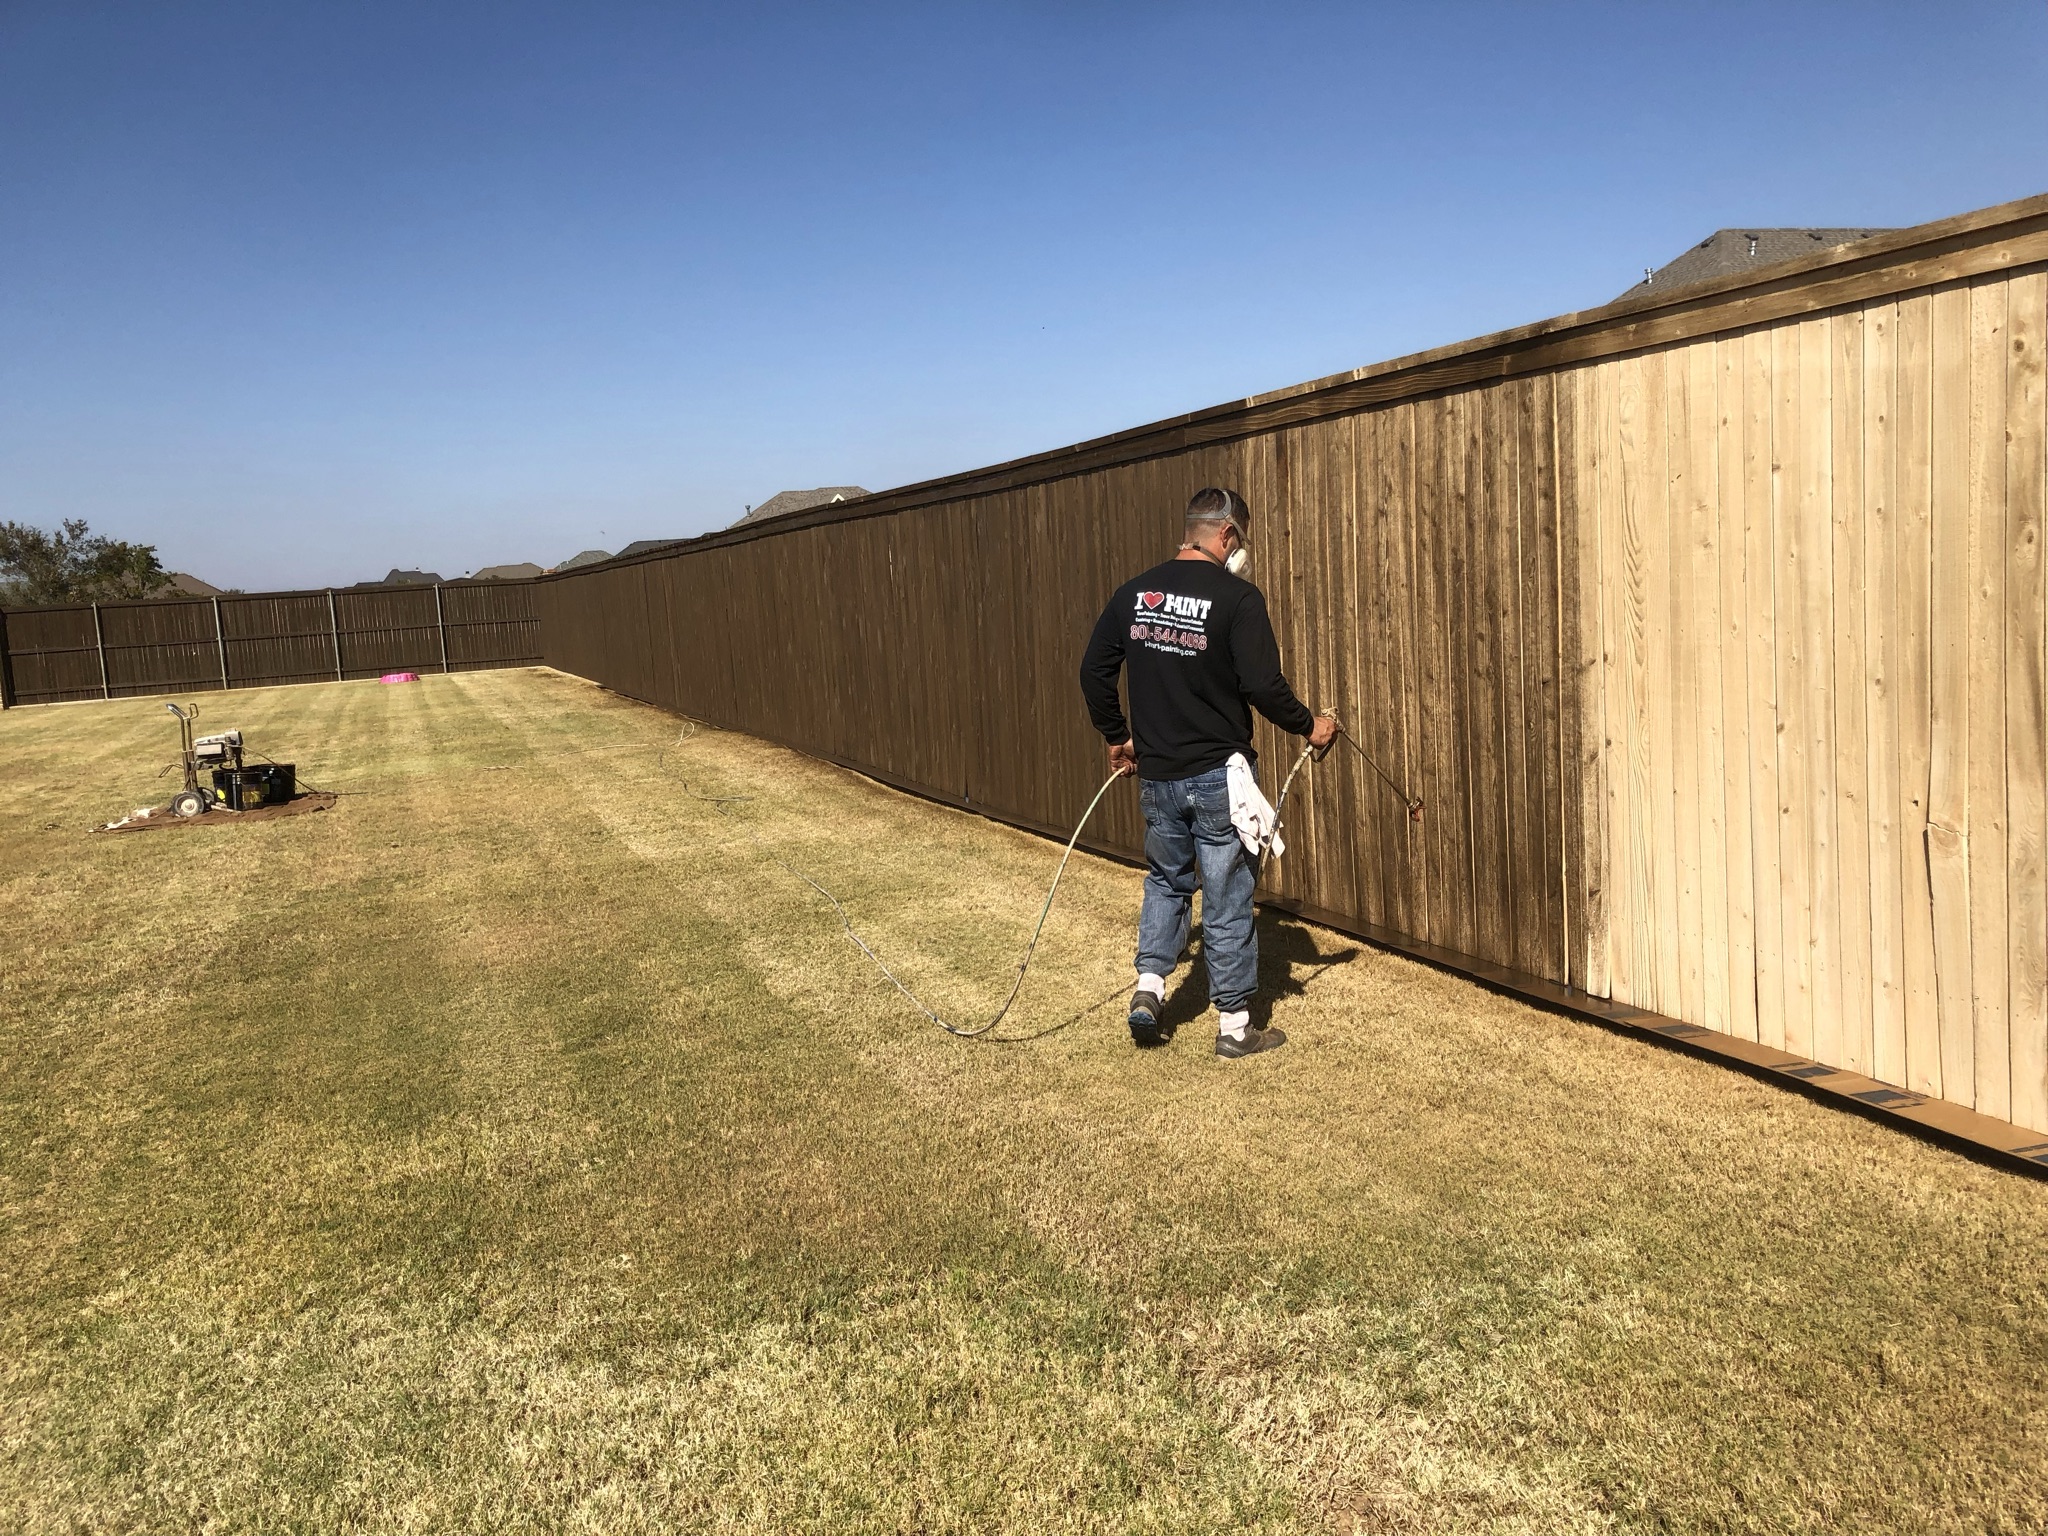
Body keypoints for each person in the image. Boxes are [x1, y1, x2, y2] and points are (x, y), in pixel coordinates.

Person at [1077, 486, 1339, 1058]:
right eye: (1239, 540)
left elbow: (1094, 671)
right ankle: (1236, 1028)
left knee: (1168, 881)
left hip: (1159, 778)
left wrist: (1117, 737)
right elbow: (1263, 686)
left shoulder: (1134, 594)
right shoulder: (1238, 599)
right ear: (1225, 535)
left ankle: (1149, 991)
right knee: (1225, 895)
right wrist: (1309, 727)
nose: (1240, 551)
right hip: (1220, 778)